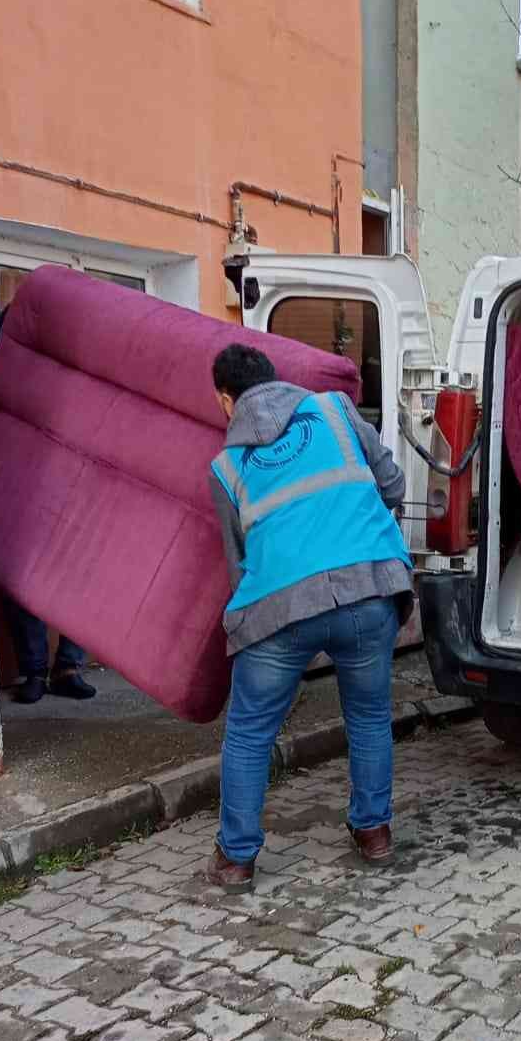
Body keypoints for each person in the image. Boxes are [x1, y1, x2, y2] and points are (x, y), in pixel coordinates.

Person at [206, 344, 413, 891]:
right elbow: (394, 486)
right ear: (278, 382)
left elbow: (238, 563)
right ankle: (374, 835)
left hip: (279, 609)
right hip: (369, 589)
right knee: (368, 717)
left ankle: (236, 861)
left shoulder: (225, 468)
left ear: (228, 402)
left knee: (250, 734)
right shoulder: (336, 411)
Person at [0, 302, 96, 705]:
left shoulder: (68, 383)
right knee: (19, 585)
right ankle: (34, 672)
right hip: (16, 498)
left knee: (79, 580)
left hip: (67, 494)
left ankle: (68, 668)